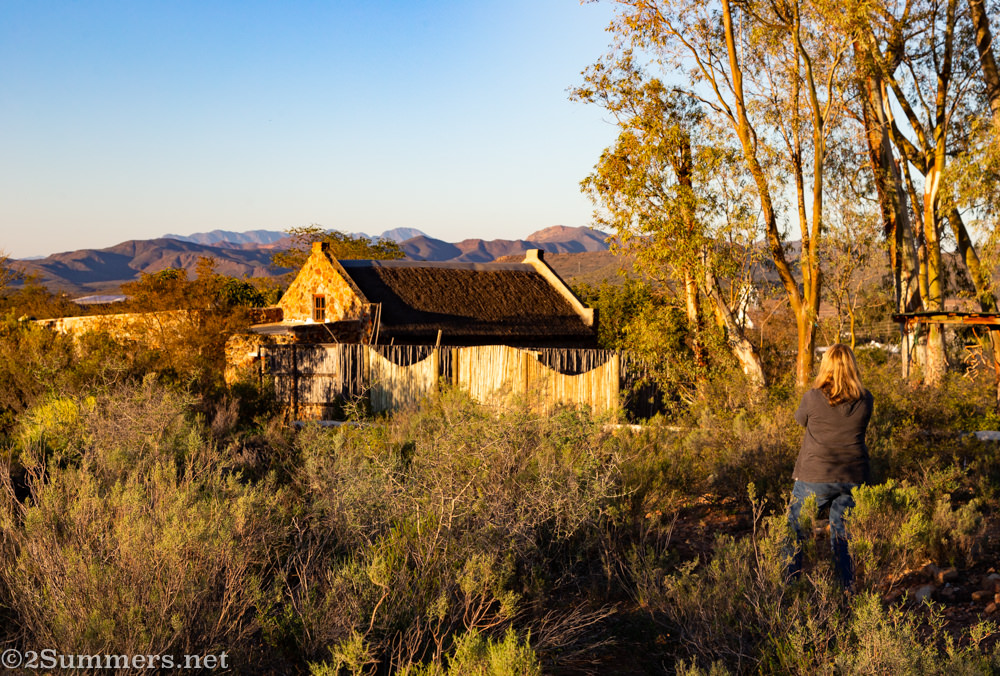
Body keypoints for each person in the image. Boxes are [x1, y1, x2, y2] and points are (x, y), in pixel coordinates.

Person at [786, 343, 874, 590]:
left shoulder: (813, 398)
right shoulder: (866, 399)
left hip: (815, 476)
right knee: (842, 536)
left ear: (826, 367)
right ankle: (846, 592)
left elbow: (800, 420)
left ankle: (787, 591)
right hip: (854, 476)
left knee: (794, 532)